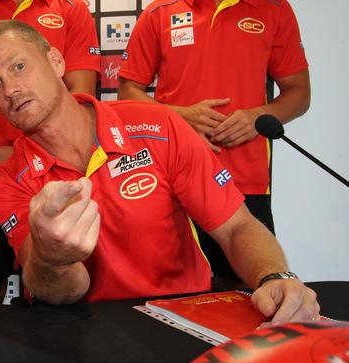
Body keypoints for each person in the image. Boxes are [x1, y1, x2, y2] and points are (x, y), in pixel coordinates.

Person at [0, 20, 320, 324]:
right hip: (85, 327)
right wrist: (54, 259)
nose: (10, 89)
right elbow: (63, 292)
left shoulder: (158, 124)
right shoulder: (9, 182)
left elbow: (235, 227)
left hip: (188, 315)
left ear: (55, 61)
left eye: (19, 66)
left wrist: (274, 275)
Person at [117, 0, 311, 287]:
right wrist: (179, 117)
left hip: (245, 183)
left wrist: (258, 116)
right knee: (168, 298)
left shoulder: (273, 8)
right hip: (173, 182)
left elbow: (299, 94)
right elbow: (128, 92)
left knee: (251, 298)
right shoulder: (159, 12)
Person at [0, 0, 101, 174]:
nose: (9, 90)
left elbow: (81, 90)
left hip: (55, 159)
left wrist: (24, 155)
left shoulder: (71, 7)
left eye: (19, 66)